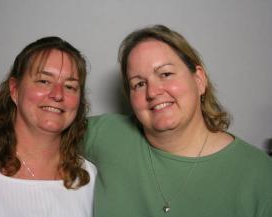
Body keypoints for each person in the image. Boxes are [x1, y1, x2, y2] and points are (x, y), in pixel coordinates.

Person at [84, 25, 272, 217]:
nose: (152, 92)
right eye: (139, 84)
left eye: (165, 74)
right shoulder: (107, 134)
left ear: (199, 80)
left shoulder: (261, 175)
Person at [0, 36, 96, 217]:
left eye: (70, 86)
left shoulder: (88, 178)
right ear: (15, 90)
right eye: (44, 81)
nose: (58, 94)